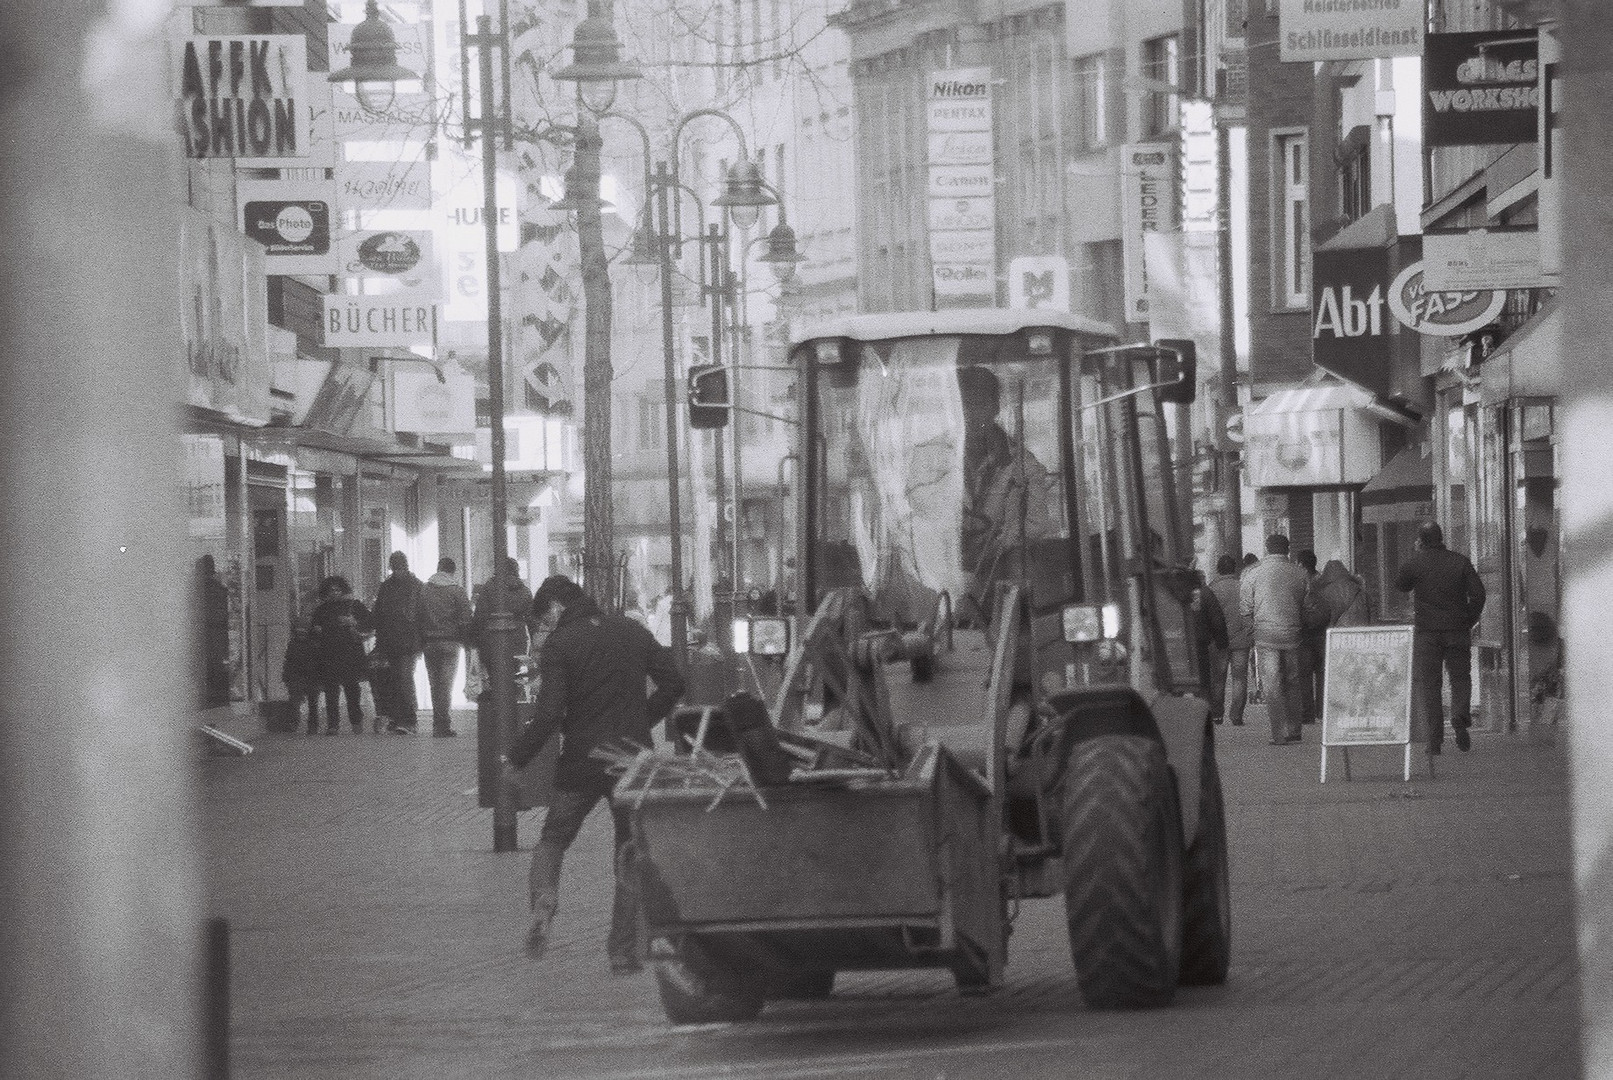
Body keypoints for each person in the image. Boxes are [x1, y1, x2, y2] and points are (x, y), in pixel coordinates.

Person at [502, 575, 685, 974]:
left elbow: (549, 713)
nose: (545, 628)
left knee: (553, 839)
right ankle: (622, 952)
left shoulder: (561, 645)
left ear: (555, 607)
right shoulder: (632, 631)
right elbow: (674, 681)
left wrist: (517, 758)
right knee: (629, 851)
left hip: (581, 762)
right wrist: (643, 719)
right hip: (631, 761)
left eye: (544, 620)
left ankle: (544, 901)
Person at [957, 365, 1056, 623]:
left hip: (1004, 581)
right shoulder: (935, 464)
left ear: (995, 407)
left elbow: (1036, 524)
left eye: (979, 404)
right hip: (946, 582)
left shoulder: (1024, 467)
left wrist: (998, 542)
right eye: (964, 405)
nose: (970, 413)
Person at [1395, 521, 1486, 754]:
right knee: (1461, 679)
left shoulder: (1415, 562)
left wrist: (1416, 556)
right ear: (1441, 537)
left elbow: (1401, 585)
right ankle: (1459, 716)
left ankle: (1434, 740)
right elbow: (1478, 594)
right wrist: (1468, 618)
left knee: (1431, 685)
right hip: (1457, 630)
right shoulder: (1460, 562)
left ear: (1421, 540)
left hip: (1427, 633)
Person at [1240, 534, 1312, 745]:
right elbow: (1307, 606)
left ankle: (1278, 735)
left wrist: (1251, 633)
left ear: (1267, 549)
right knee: (1292, 681)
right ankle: (1294, 730)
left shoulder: (1253, 574)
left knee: (1272, 684)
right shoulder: (1300, 574)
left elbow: (1245, 608)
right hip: (1293, 634)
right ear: (1288, 550)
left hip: (1265, 635)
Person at [418, 557, 474, 738]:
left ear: (438, 568)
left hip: (429, 642)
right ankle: (443, 725)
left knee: (435, 684)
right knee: (446, 685)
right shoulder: (457, 591)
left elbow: (417, 615)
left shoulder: (425, 590)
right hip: (450, 642)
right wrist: (467, 642)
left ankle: (438, 723)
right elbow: (466, 618)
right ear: (453, 571)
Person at [309, 575, 371, 734]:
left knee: (351, 689)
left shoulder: (353, 606)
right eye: (331, 590)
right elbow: (313, 631)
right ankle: (333, 724)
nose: (334, 593)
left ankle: (355, 721)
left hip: (348, 652)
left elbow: (369, 623)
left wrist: (354, 622)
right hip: (330, 653)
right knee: (332, 690)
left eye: (337, 590)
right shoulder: (322, 609)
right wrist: (317, 631)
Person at [371, 551, 424, 734]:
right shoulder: (408, 586)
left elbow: (379, 614)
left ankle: (408, 719)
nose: (398, 570)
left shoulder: (412, 586)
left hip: (406, 642)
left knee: (403, 678)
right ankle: (399, 718)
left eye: (400, 566)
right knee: (396, 680)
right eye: (395, 567)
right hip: (394, 641)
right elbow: (378, 615)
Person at [471, 557, 533, 703]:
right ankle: (512, 710)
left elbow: (480, 615)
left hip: (491, 639)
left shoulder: (489, 588)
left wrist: (475, 637)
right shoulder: (524, 591)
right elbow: (532, 619)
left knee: (496, 678)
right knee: (514, 676)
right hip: (518, 640)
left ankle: (499, 713)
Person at [1207, 554, 1251, 727]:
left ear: (1218, 569)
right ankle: (1236, 715)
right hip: (1241, 640)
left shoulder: (1212, 589)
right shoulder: (1243, 587)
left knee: (1218, 678)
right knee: (1239, 678)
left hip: (1219, 642)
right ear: (1235, 569)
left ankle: (1217, 715)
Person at [193, 554, 231, 708]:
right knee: (216, 675)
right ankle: (216, 705)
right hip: (218, 641)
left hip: (202, 641)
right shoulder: (221, 590)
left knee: (202, 676)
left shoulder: (194, 591)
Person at [1295, 549, 1324, 725]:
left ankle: (1308, 713)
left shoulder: (1299, 582)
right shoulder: (1323, 581)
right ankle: (1322, 710)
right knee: (1321, 673)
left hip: (1304, 633)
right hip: (1321, 632)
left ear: (1301, 564)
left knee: (1304, 675)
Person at [281, 616, 322, 735]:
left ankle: (295, 725)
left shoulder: (295, 644)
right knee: (308, 703)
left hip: (305, 676)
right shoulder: (312, 643)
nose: (301, 635)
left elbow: (288, 661)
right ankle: (309, 726)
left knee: (300, 702)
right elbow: (289, 661)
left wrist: (286, 676)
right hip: (306, 676)